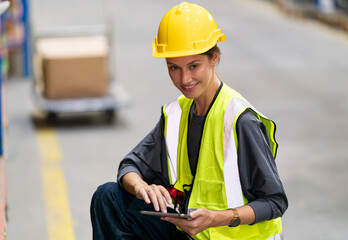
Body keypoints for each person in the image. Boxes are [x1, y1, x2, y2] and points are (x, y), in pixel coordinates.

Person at [90, 2, 288, 240]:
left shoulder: (239, 120)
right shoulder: (177, 114)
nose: (184, 79)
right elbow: (129, 167)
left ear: (214, 58)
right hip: (190, 233)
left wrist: (218, 218)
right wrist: (141, 187)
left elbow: (275, 201)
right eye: (174, 67)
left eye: (194, 66)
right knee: (108, 197)